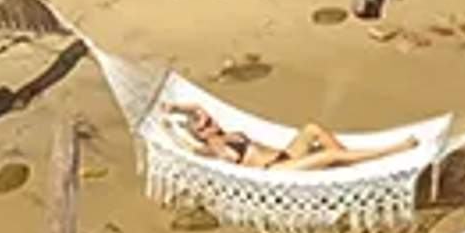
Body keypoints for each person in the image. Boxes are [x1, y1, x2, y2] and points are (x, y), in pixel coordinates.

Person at [166, 102, 391, 173]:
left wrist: (176, 107)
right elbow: (188, 149)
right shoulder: (213, 148)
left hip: (286, 155)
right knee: (328, 154)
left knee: (312, 128)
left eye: (209, 120)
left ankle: (345, 165)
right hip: (275, 170)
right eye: (205, 126)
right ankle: (391, 151)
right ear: (201, 135)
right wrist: (169, 130)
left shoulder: (225, 133)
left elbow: (198, 108)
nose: (210, 123)